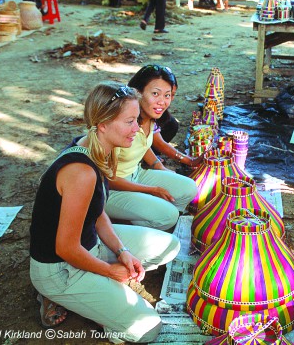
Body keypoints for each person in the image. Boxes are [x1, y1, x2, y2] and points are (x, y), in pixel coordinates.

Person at [29, 82, 181, 340]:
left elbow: (98, 213)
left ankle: (101, 290)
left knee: (171, 246)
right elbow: (66, 248)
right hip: (61, 270)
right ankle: (59, 295)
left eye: (137, 120)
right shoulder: (81, 172)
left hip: (90, 246)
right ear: (102, 124)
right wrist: (110, 271)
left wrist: (122, 251)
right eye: (130, 122)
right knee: (148, 328)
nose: (137, 129)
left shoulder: (97, 147)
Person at [106, 66, 198, 229]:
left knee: (189, 188)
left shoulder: (150, 117)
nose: (162, 101)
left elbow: (143, 145)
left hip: (136, 174)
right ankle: (123, 227)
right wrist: (150, 190)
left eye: (167, 95)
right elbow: (109, 179)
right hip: (111, 190)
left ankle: (157, 221)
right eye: (155, 93)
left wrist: (160, 167)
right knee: (168, 215)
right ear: (138, 92)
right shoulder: (122, 122)